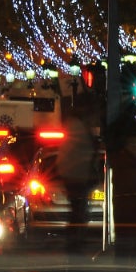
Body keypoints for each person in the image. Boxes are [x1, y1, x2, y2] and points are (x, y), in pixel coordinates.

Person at [55, 108, 98, 252]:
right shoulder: (78, 128)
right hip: (77, 176)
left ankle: (75, 238)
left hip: (75, 175)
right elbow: (83, 151)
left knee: (77, 209)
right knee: (78, 209)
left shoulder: (74, 127)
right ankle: (75, 239)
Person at [109, 128, 136, 257]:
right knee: (126, 240)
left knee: (135, 240)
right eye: (132, 143)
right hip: (127, 208)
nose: (135, 146)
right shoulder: (123, 161)